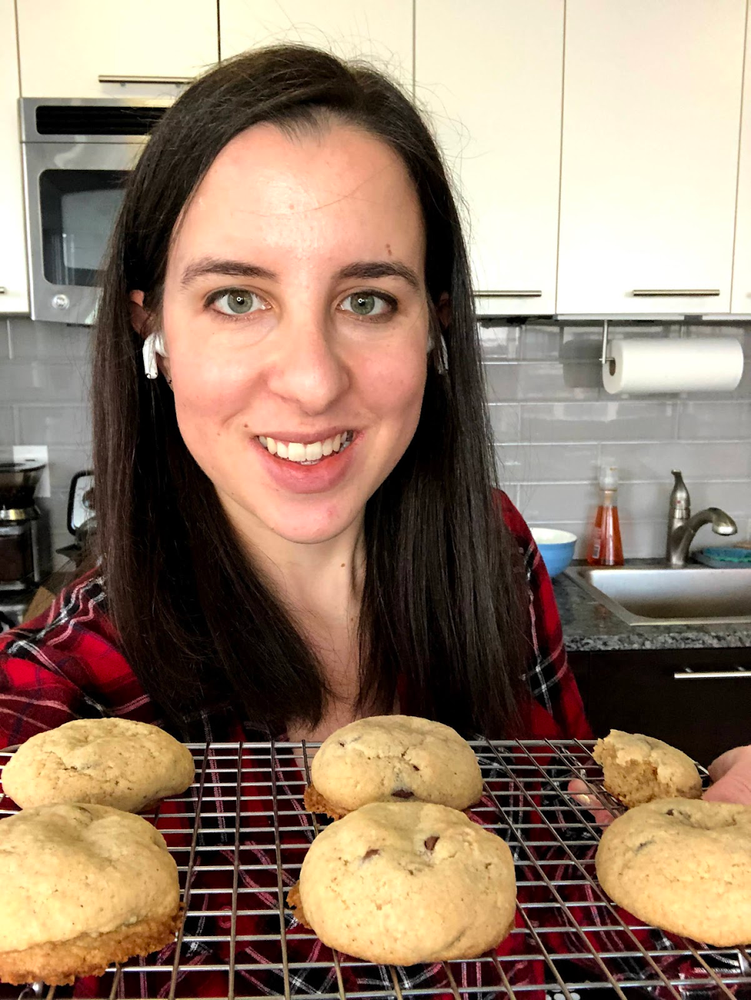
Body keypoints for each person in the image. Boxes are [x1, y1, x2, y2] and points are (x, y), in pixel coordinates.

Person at [0, 43, 748, 997]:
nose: (311, 380)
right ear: (153, 329)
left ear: (434, 326)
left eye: (366, 299)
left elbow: (575, 883)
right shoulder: (68, 683)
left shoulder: (490, 551)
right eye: (236, 298)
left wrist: (705, 828)